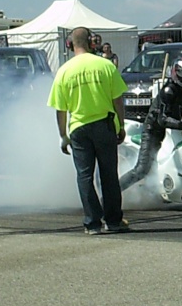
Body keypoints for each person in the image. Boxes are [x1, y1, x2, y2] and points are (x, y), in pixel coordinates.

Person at [47, 27, 129, 234]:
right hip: (104, 125)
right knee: (109, 175)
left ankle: (92, 223)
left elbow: (61, 109)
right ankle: (113, 221)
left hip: (79, 129)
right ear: (93, 43)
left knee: (84, 176)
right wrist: (121, 125)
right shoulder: (105, 65)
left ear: (70, 44)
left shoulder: (64, 71)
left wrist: (63, 136)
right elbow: (117, 99)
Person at [119, 57, 182, 191]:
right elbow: (163, 119)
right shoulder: (169, 91)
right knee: (142, 170)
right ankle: (111, 195)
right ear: (181, 77)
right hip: (153, 131)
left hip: (173, 129)